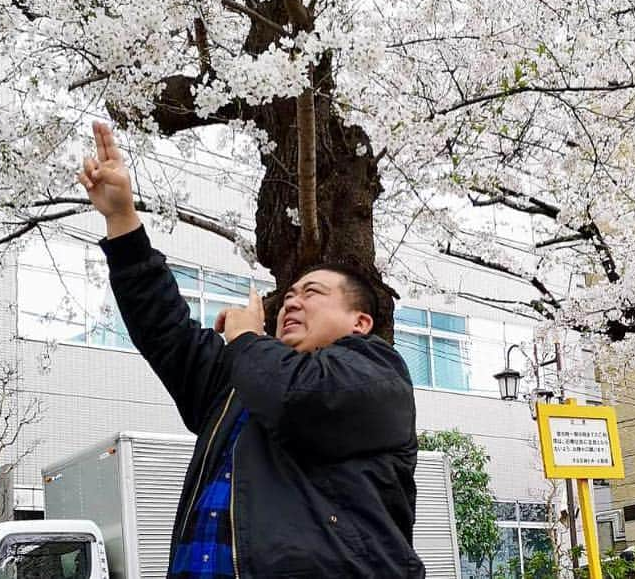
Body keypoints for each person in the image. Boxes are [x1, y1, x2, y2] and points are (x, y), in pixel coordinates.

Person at [78, 122, 424, 579]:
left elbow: (296, 398)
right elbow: (165, 330)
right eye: (289, 297)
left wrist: (245, 338)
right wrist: (122, 221)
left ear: (361, 323)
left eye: (313, 293)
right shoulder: (244, 378)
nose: (293, 302)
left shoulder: (378, 375)